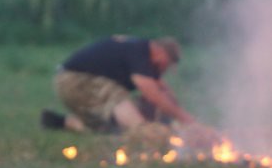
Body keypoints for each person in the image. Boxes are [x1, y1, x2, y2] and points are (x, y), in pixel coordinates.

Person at [41, 35, 208, 136]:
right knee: (138, 128)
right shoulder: (140, 53)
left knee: (112, 130)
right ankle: (155, 135)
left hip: (69, 82)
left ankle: (60, 122)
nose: (165, 69)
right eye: (168, 63)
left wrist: (178, 115)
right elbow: (152, 94)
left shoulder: (138, 49)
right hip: (77, 81)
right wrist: (186, 121)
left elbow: (162, 90)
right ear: (160, 52)